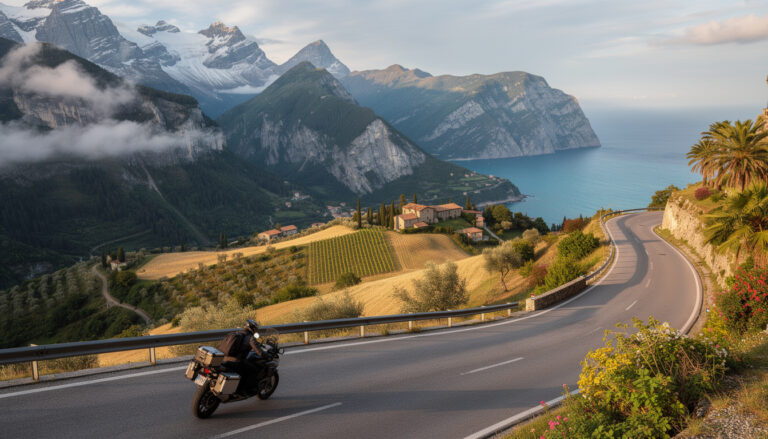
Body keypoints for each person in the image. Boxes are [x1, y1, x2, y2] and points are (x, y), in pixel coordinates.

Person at [221, 319, 266, 394]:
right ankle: (245, 390)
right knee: (254, 370)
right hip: (236, 361)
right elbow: (259, 352)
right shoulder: (250, 338)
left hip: (224, 358)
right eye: (255, 328)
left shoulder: (236, 333)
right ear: (252, 328)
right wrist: (267, 355)